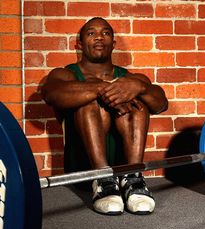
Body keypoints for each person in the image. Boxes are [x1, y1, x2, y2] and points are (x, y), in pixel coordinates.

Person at [41, 17, 168, 215]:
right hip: (83, 172)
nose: (99, 37)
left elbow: (161, 104)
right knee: (88, 100)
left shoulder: (131, 78)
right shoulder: (66, 74)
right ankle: (102, 177)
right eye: (91, 33)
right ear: (80, 44)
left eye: (106, 33)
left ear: (113, 43)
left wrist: (140, 87)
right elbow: (51, 94)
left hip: (124, 175)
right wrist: (103, 89)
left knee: (138, 102)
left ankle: (133, 177)